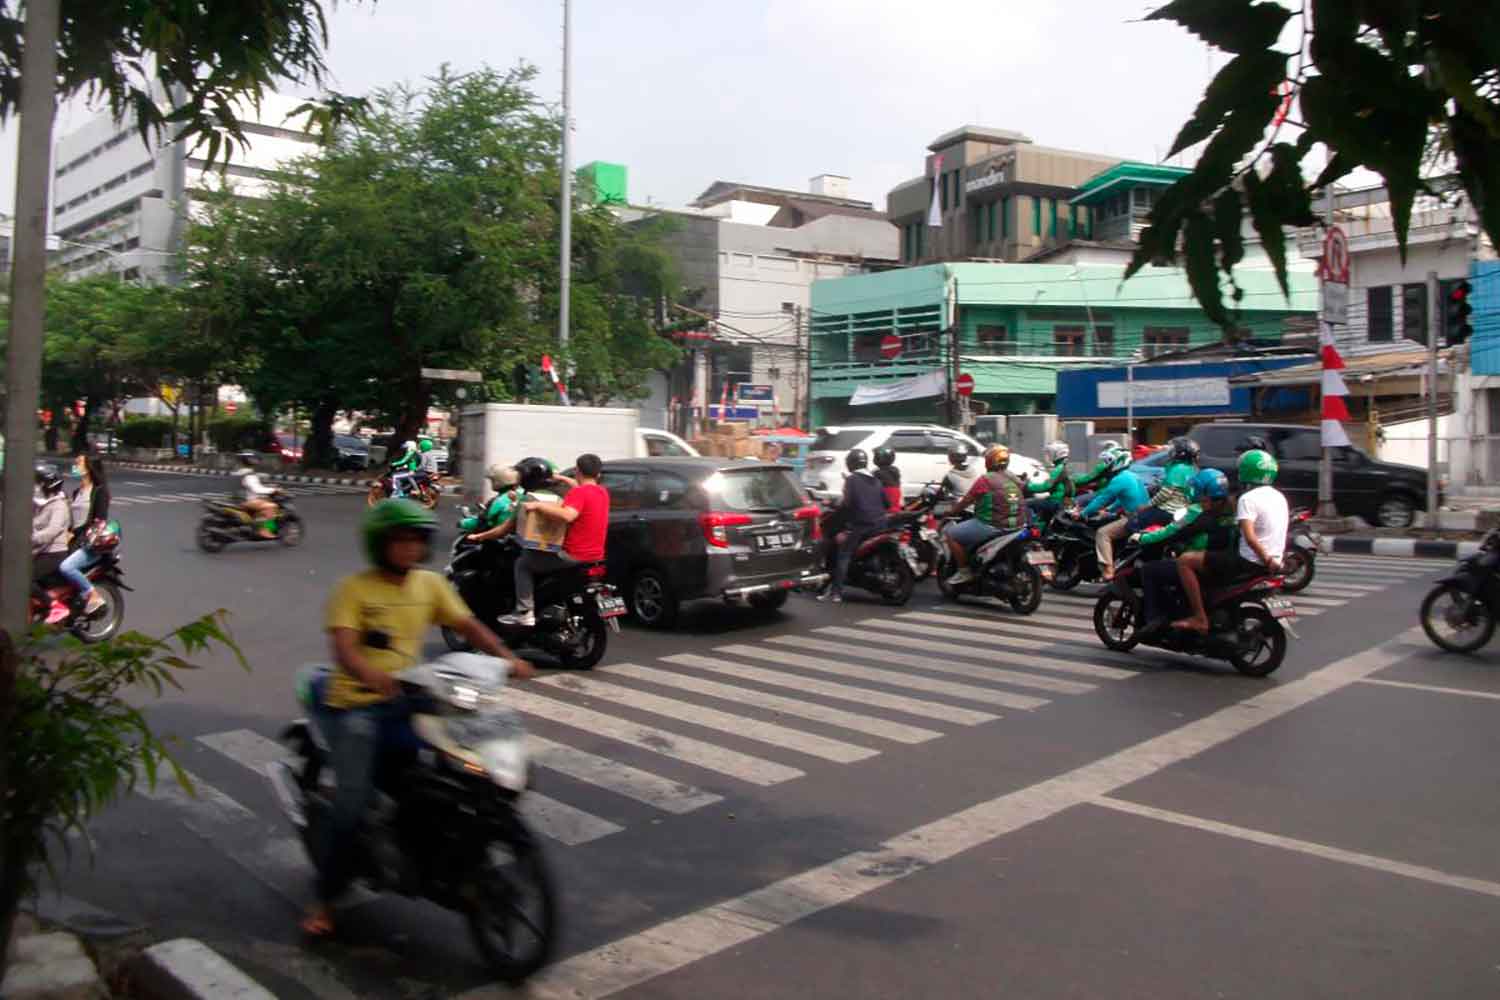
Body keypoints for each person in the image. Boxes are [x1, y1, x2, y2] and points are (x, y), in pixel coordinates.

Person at [301, 499, 532, 939]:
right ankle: (326, 899)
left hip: (412, 696)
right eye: (399, 539)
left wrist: (506, 658)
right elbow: (345, 650)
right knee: (350, 806)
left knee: (465, 771)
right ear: (381, 544)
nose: (409, 548)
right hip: (358, 703)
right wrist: (373, 676)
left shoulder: (429, 585)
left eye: (415, 540)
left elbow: (468, 626)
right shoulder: (354, 590)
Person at [1173, 449, 1288, 633]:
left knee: (1185, 561)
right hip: (1275, 560)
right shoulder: (1279, 497)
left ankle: (1199, 617)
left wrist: (1266, 559)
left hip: (1249, 562)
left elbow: (1249, 537)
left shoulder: (1248, 499)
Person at [500, 453, 609, 627]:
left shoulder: (579, 494)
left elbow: (567, 515)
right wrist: (560, 478)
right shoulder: (601, 492)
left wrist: (539, 506)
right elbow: (579, 487)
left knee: (523, 563)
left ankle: (524, 612)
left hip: (572, 555)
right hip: (596, 557)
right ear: (598, 474)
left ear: (578, 471)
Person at [1131, 468, 1235, 636]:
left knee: (1149, 570)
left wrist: (1142, 538)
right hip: (1223, 562)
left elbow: (1171, 531)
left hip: (1201, 562)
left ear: (1203, 492)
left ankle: (1155, 619)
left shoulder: (1196, 512)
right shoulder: (1230, 510)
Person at [943, 444, 1028, 587]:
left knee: (951, 534)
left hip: (993, 525)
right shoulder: (1012, 477)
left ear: (989, 461)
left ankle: (964, 571)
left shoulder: (985, 479)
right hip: (1017, 526)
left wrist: (952, 512)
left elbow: (966, 500)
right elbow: (1025, 488)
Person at [821, 448, 887, 604]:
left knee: (844, 554)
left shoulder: (851, 480)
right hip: (880, 525)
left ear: (850, 463)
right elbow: (886, 503)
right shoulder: (877, 480)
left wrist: (843, 524)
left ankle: (836, 592)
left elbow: (847, 505)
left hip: (862, 526)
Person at [1080, 448, 1148, 581]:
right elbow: (1122, 498)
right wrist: (1109, 510)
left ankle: (1108, 570)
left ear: (1118, 462)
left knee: (1102, 533)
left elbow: (1102, 499)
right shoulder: (1132, 475)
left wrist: (1083, 513)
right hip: (1144, 515)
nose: (1107, 466)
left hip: (1134, 517)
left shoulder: (1119, 479)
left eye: (1109, 462)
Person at [59, 454, 111, 614]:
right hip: (73, 541)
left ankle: (93, 595)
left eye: (78, 463)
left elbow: (100, 522)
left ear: (89, 468)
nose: (75, 465)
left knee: (66, 567)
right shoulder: (76, 492)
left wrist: (77, 535)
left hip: (90, 545)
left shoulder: (99, 492)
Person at [1134, 436, 1199, 533]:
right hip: (1181, 510)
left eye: (1173, 449)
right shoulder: (1191, 469)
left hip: (1168, 510)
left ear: (1180, 453)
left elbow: (1165, 494)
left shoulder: (1178, 469)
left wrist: (1147, 505)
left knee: (1133, 522)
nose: (1170, 452)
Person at [31, 465, 71, 616]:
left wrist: (30, 539)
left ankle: (55, 606)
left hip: (54, 553)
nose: (35, 486)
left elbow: (52, 531)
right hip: (39, 550)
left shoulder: (59, 505)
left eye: (37, 482)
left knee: (23, 579)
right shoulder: (40, 504)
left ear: (47, 484)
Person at [463, 465, 523, 543]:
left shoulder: (501, 500)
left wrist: (476, 533)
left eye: (492, 480)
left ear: (500, 481)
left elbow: (487, 519)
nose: (491, 483)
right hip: (508, 538)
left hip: (496, 539)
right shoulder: (518, 494)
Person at [1026, 440, 1074, 523]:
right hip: (1063, 499)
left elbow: (1047, 486)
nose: (1048, 456)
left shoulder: (1058, 469)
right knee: (1042, 509)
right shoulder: (1063, 466)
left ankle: (1029, 527)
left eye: (1049, 453)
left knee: (1026, 504)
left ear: (1057, 454)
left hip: (1057, 501)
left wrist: (1027, 486)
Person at [235, 451, 279, 539]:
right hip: (248, 501)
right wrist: (273, 490)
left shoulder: (240, 472)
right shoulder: (249, 474)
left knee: (264, 504)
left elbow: (252, 485)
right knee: (272, 506)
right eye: (254, 459)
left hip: (238, 499)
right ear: (250, 461)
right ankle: (266, 531)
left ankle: (258, 524)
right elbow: (257, 489)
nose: (257, 461)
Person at [872, 446, 902, 512]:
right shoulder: (895, 471)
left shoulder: (877, 473)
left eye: (876, 456)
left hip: (882, 512)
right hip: (896, 510)